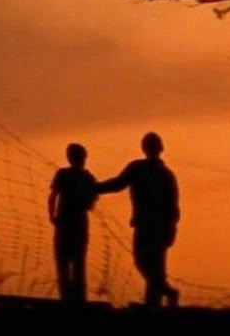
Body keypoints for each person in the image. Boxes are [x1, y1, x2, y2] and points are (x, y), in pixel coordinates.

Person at [96, 131, 180, 308]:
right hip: (151, 225)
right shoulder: (144, 170)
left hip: (154, 226)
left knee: (147, 263)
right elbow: (118, 183)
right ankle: (158, 299)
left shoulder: (161, 174)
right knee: (150, 265)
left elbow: (173, 205)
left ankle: (162, 296)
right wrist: (96, 188)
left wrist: (171, 228)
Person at [48, 142, 98, 303]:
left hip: (64, 223)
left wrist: (52, 215)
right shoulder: (88, 178)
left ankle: (66, 299)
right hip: (78, 224)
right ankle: (79, 300)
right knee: (78, 264)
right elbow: (92, 202)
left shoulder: (63, 174)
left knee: (63, 263)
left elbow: (53, 196)